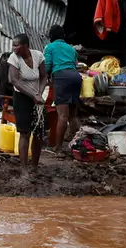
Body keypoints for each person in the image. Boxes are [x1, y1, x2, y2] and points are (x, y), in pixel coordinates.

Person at [8, 34, 46, 173]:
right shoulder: (14, 58)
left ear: (25, 46)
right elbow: (14, 81)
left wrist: (39, 94)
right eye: (13, 45)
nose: (14, 48)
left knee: (38, 133)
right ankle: (24, 168)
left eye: (16, 45)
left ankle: (35, 166)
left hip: (37, 99)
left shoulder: (38, 56)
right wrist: (32, 95)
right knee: (24, 133)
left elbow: (43, 76)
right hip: (22, 97)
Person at [44, 25, 82, 153]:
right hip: (76, 77)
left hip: (61, 77)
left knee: (62, 115)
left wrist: (45, 78)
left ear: (51, 36)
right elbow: (76, 64)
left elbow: (47, 65)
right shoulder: (71, 48)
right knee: (72, 116)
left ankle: (58, 147)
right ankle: (79, 145)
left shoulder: (50, 47)